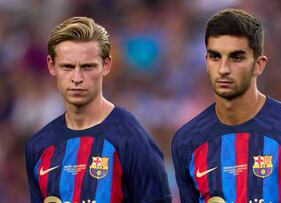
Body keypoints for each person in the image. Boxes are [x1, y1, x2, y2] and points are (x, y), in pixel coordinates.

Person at [172, 9, 281, 203]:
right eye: (215, 56)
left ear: (259, 64)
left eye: (237, 57)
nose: (224, 69)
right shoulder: (187, 141)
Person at [25, 16, 171, 203]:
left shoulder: (131, 138)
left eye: (87, 67)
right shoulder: (38, 146)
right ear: (51, 66)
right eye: (67, 67)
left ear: (106, 65)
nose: (77, 78)